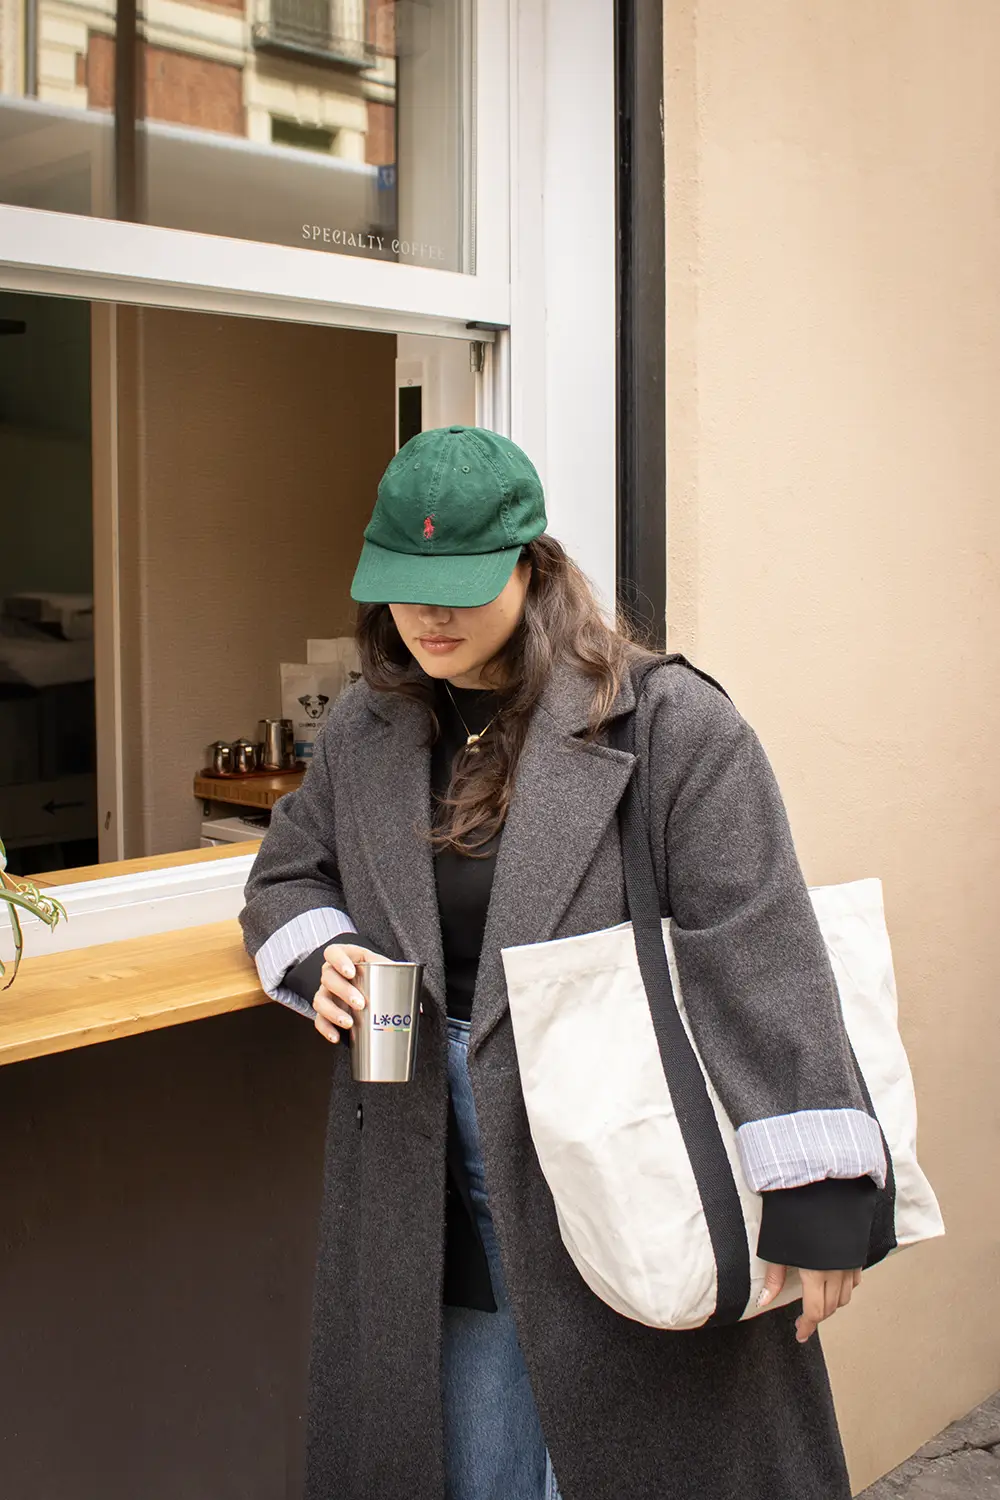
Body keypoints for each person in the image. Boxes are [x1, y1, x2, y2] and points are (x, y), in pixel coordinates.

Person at [240, 426, 885, 1500]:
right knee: (466, 1463)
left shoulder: (671, 723)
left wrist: (819, 1199)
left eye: (459, 585)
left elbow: (756, 944)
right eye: (404, 588)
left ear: (532, 565)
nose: (429, 616)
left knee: (642, 1449)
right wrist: (328, 954)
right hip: (422, 1156)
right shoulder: (369, 724)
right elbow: (286, 874)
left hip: (624, 1145)